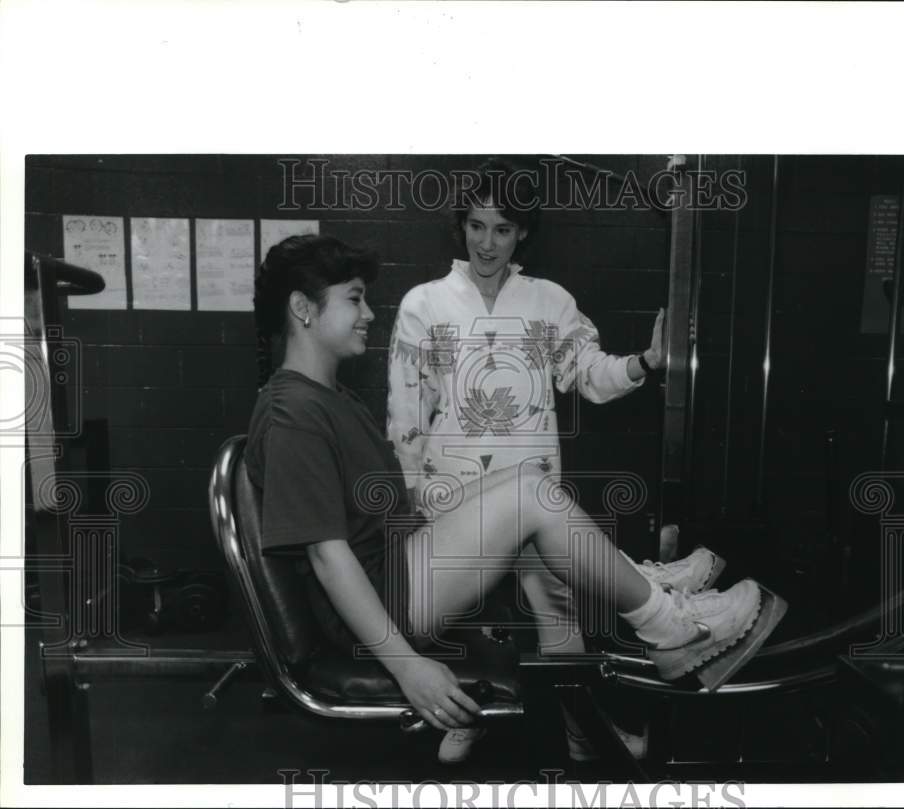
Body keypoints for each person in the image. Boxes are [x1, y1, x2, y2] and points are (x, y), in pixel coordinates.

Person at [245, 233, 776, 759]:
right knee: (530, 497)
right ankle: (667, 627)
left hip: (396, 569)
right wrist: (406, 665)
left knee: (531, 492)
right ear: (303, 309)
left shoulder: (326, 398)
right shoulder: (294, 414)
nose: (368, 314)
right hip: (385, 598)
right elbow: (326, 554)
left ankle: (643, 598)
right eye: (354, 298)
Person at [386, 159, 724, 762]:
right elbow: (406, 415)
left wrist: (645, 362)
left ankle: (584, 735)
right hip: (455, 498)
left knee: (561, 630)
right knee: (476, 627)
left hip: (537, 493)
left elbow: (587, 376)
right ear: (460, 226)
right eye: (477, 226)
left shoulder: (550, 301)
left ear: (523, 235)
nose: (487, 243)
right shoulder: (424, 305)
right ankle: (473, 714)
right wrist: (412, 499)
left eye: (503, 229)